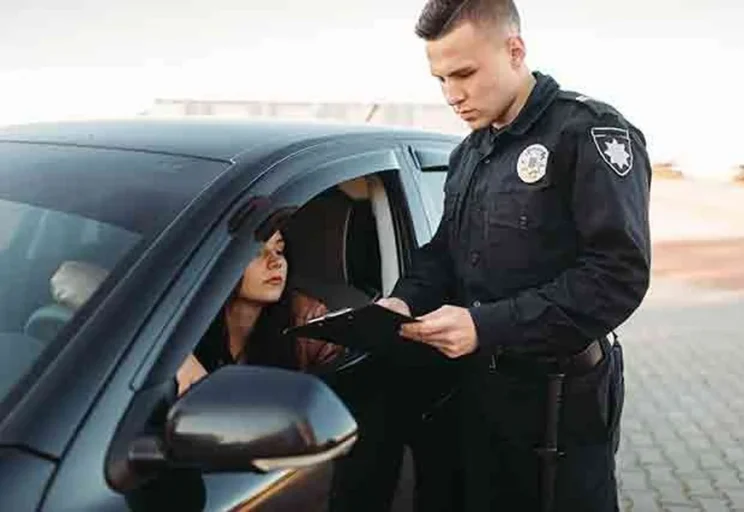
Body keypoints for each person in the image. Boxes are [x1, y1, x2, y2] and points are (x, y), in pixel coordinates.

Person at [377, 1, 652, 511]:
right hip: (477, 396)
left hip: (558, 409)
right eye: (441, 79)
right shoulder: (469, 153)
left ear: (515, 51)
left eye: (464, 73)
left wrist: (486, 326)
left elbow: (618, 276)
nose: (452, 95)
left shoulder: (586, 132)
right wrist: (403, 301)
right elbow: (445, 252)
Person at [176, 229, 342, 394]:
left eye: (279, 251)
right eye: (256, 253)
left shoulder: (308, 319)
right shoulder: (184, 322)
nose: (276, 262)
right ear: (221, 262)